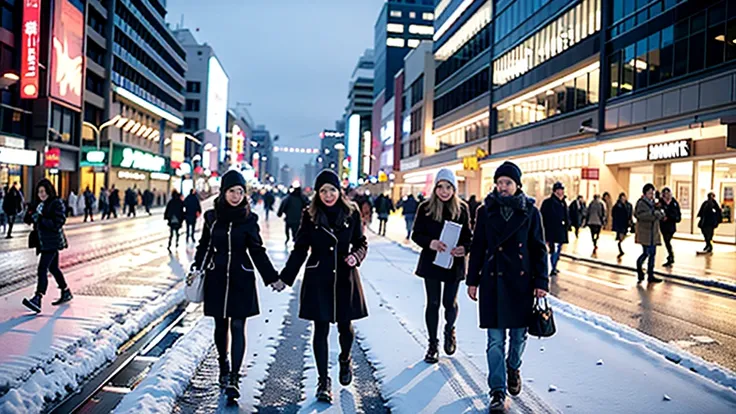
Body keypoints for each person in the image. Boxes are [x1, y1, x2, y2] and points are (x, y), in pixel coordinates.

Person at [191, 170, 282, 402]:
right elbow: (204, 246)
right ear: (224, 192)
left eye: (240, 191)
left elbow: (257, 250)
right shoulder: (212, 217)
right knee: (220, 326)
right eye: (232, 191)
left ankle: (234, 377)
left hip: (242, 279)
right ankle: (223, 364)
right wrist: (197, 268)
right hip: (217, 278)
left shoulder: (249, 219)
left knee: (239, 326)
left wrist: (272, 277)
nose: (236, 196)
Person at [278, 169, 368, 403]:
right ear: (318, 193)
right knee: (320, 329)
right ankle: (323, 380)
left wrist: (356, 257)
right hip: (319, 277)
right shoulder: (310, 215)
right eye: (324, 191)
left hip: (345, 276)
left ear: (340, 191)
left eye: (332, 190)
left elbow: (361, 242)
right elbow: (299, 249)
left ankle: (345, 359)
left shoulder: (352, 213)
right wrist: (285, 278)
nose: (328, 195)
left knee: (345, 328)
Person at [466, 161, 548, 412]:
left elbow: (538, 249)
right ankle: (497, 391)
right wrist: (472, 280)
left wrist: (541, 281)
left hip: (521, 283)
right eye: (499, 182)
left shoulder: (531, 212)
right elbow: (478, 245)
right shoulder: (484, 210)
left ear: (517, 185)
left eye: (507, 183)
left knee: (518, 337)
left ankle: (513, 367)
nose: (502, 187)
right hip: (493, 280)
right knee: (494, 341)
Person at [411, 168, 472, 364]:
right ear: (435, 188)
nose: (444, 191)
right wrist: (431, 243)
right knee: (433, 303)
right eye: (440, 187)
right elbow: (416, 234)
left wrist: (464, 248)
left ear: (454, 188)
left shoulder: (462, 209)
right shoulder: (425, 207)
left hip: (453, 263)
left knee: (449, 302)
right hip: (431, 261)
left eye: (448, 187)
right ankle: (432, 344)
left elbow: (469, 237)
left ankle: (449, 329)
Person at [21, 179, 72, 313]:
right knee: (53, 268)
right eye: (39, 192)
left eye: (43, 191)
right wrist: (30, 212)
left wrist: (41, 219)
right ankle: (65, 291)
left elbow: (58, 223)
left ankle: (38, 298)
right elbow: (28, 220)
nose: (41, 194)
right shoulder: (39, 204)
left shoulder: (56, 203)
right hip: (43, 242)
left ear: (49, 191)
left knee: (42, 268)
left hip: (52, 241)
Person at [634, 184, 664, 283]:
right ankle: (639, 266)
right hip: (645, 232)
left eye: (653, 193)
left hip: (653, 233)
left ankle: (650, 274)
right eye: (650, 193)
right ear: (645, 193)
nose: (652, 195)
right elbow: (639, 215)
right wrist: (652, 215)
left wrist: (659, 214)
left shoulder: (654, 204)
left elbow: (659, 213)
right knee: (646, 253)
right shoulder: (641, 203)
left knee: (653, 254)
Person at [540, 182, 569, 276]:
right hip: (551, 232)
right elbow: (543, 217)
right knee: (552, 251)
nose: (561, 192)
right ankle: (550, 268)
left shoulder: (563, 203)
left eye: (562, 190)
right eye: (559, 190)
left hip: (561, 231)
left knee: (558, 250)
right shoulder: (549, 203)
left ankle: (553, 267)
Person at [659, 188, 681, 266]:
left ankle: (671, 256)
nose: (667, 196)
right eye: (665, 194)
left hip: (671, 225)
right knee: (666, 241)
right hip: (663, 226)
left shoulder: (674, 203)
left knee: (667, 240)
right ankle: (670, 256)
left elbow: (677, 215)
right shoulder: (660, 202)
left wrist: (669, 217)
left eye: (668, 193)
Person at [611, 193, 633, 259]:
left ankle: (620, 244)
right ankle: (620, 248)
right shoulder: (617, 206)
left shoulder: (628, 205)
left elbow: (630, 213)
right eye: (622, 198)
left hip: (625, 223)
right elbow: (613, 213)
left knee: (623, 235)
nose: (623, 199)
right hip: (619, 223)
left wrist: (630, 220)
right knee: (621, 236)